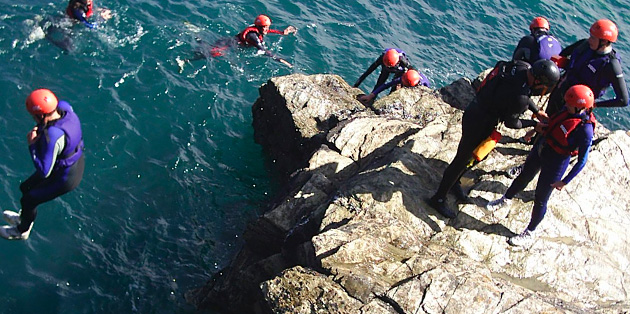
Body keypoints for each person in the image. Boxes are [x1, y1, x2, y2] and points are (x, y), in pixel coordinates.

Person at [427, 59, 560, 219]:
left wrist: (536, 110)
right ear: (539, 82)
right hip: (480, 122)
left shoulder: (521, 67)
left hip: (476, 109)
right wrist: (534, 124)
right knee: (462, 160)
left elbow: (524, 91)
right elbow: (512, 123)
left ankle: (454, 182)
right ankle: (439, 198)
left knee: (478, 156)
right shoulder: (520, 99)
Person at [487, 85, 596, 246]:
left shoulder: (585, 130)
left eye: (569, 104)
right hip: (543, 147)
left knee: (540, 198)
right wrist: (533, 131)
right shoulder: (567, 111)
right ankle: (505, 199)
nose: (565, 105)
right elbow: (552, 124)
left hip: (557, 161)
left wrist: (565, 181)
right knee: (524, 176)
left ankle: (530, 231)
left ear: (580, 107)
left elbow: (582, 160)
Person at [0, 89, 85, 240]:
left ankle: (21, 231)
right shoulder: (65, 108)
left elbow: (44, 171)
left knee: (29, 199)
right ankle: (25, 216)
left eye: (34, 116)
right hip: (71, 161)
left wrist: (32, 145)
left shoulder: (54, 135)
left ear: (41, 115)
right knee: (25, 188)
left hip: (66, 177)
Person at [546, 19, 628, 115]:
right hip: (562, 89)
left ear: (604, 41)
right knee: (548, 117)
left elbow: (623, 100)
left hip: (577, 104)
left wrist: (595, 104)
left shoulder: (611, 65)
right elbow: (562, 55)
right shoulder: (584, 45)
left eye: (593, 38)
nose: (589, 40)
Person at [357, 69, 430, 105]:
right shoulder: (405, 77)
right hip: (411, 79)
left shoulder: (423, 86)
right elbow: (387, 85)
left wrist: (400, 92)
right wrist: (371, 95)